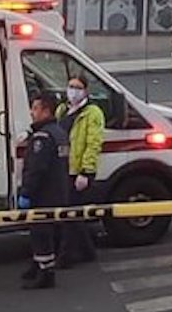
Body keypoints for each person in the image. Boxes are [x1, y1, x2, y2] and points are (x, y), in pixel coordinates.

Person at [18, 92, 70, 290]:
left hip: (43, 194)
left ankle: (46, 274)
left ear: (46, 110)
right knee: (49, 233)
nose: (32, 113)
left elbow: (37, 169)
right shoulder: (58, 132)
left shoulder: (42, 137)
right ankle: (38, 265)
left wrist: (26, 192)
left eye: (35, 108)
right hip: (59, 191)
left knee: (41, 234)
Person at [56, 75, 104, 268]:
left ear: (85, 91)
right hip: (64, 169)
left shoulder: (92, 113)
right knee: (72, 213)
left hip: (80, 171)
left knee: (70, 213)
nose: (73, 91)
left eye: (77, 87)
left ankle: (66, 256)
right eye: (70, 86)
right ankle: (88, 251)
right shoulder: (63, 110)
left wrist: (85, 171)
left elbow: (93, 144)